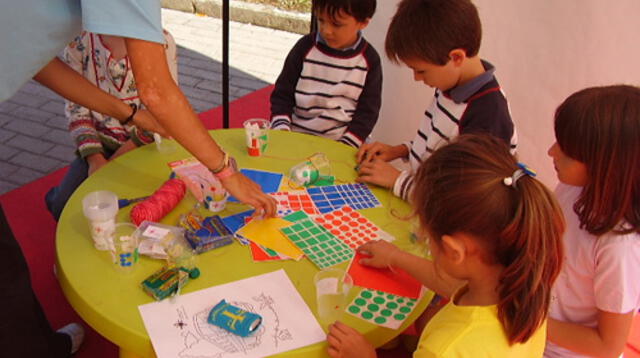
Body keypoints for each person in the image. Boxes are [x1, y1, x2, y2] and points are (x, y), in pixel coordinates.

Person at [0, 1, 275, 355]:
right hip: (100, 146)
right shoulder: (87, 41)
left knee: (8, 268)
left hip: (130, 141)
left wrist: (131, 116)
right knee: (9, 270)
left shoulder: (158, 38)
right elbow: (157, 93)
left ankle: (37, 344)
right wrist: (225, 171)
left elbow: (39, 64)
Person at [327, 134, 565, 357]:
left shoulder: (443, 349)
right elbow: (453, 284)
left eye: (427, 235)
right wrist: (395, 257)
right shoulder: (526, 291)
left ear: (454, 251)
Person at [356, 0, 517, 201]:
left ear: (456, 57)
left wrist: (399, 181)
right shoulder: (451, 86)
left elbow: (463, 199)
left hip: (441, 214)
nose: (417, 78)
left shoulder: (489, 116)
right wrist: (401, 150)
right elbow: (441, 143)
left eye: (421, 70)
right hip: (421, 198)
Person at [545, 85, 640, 357]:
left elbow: (607, 346)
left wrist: (526, 320)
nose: (551, 152)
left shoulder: (619, 248)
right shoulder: (574, 187)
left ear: (606, 164)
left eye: (566, 150)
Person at [45, 30, 178, 221]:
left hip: (148, 147)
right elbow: (76, 109)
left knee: (154, 206)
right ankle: (55, 196)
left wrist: (113, 163)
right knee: (63, 207)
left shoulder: (160, 41)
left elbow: (163, 113)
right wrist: (95, 159)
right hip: (99, 147)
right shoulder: (79, 41)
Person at [270, 0, 382, 148]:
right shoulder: (305, 48)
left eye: (336, 24)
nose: (326, 30)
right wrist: (282, 128)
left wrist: (344, 147)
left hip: (341, 143)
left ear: (363, 22)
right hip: (295, 135)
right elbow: (282, 94)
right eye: (321, 20)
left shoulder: (369, 60)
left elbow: (367, 114)